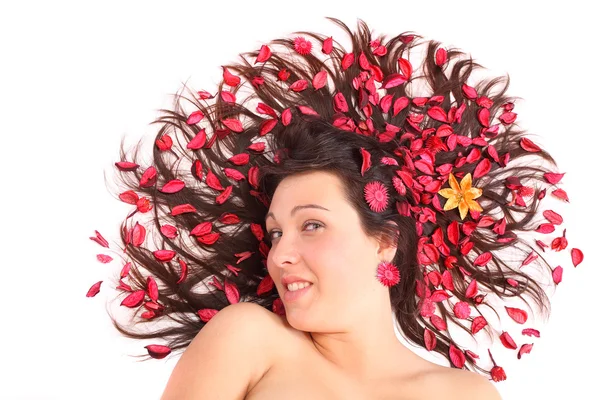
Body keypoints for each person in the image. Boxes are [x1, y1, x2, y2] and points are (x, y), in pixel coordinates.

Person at [86, 17, 583, 399]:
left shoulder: (466, 393)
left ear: (385, 242)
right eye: (277, 233)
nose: (280, 255)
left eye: (313, 225)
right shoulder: (248, 339)